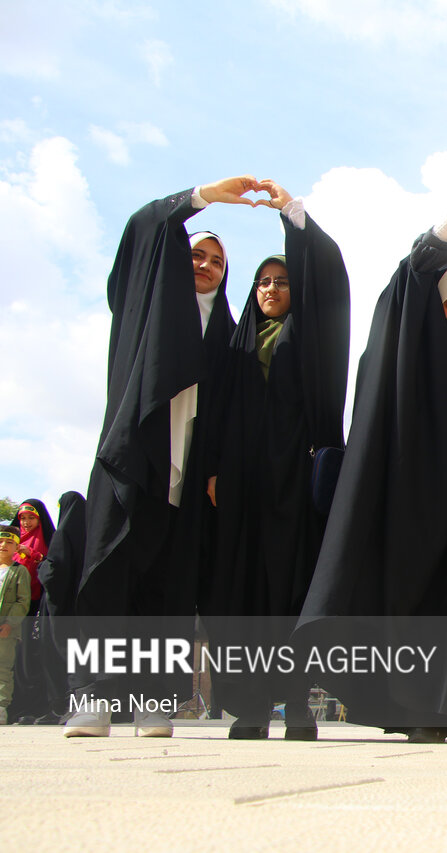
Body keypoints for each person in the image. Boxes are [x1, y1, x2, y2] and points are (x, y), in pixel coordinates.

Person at [295, 189, 447, 745]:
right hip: (419, 507)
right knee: (422, 607)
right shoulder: (408, 347)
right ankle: (427, 710)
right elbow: (411, 273)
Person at [64, 177, 249, 737]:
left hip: (186, 478)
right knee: (106, 573)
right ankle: (91, 699)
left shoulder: (228, 336)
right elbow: (146, 227)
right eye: (198, 253)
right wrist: (203, 197)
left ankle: (155, 702)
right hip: (131, 457)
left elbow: (232, 413)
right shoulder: (149, 304)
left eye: (217, 260)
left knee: (168, 588)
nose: (207, 265)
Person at [202, 180, 350, 740]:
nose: (270, 288)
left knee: (291, 596)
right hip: (242, 490)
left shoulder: (308, 338)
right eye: (263, 281)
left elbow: (330, 276)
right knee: (242, 599)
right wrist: (215, 470)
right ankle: (250, 707)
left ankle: (296, 704)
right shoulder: (236, 344)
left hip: (293, 486)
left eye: (282, 281)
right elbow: (214, 413)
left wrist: (293, 217)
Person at [35, 491, 85, 723]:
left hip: (58, 610)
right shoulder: (88, 538)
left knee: (57, 656)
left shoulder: (62, 537)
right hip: (79, 610)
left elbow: (54, 572)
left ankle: (61, 707)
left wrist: (41, 568)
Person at [7, 499, 55, 723]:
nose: (26, 523)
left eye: (31, 518)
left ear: (40, 518)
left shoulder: (50, 540)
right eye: (22, 518)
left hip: (38, 606)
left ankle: (34, 707)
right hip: (13, 609)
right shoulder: (11, 542)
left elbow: (56, 566)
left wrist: (35, 556)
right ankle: (12, 706)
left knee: (31, 656)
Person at [0, 525, 32, 725]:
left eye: (9, 542)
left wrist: (10, 623)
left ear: (16, 547)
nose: (3, 545)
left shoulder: (19, 571)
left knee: (3, 668)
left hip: (5, 630)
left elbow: (23, 601)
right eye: (1, 542)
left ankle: (1, 707)